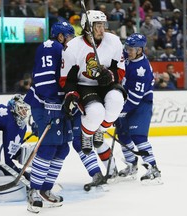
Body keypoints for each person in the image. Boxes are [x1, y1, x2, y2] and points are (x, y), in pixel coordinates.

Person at [59, 10, 126, 181]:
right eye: (97, 25)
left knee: (117, 100)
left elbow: (119, 69)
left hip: (106, 84)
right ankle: (87, 136)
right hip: (85, 86)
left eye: (103, 25)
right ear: (86, 27)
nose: (101, 29)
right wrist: (72, 94)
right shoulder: (73, 47)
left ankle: (100, 131)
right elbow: (68, 78)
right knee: (95, 112)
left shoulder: (114, 41)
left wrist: (110, 76)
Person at [23, 21, 75, 213]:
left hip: (58, 104)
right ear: (60, 36)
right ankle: (33, 190)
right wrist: (52, 103)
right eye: (69, 37)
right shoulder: (51, 47)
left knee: (62, 148)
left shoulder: (62, 49)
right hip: (45, 103)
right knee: (48, 147)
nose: (71, 41)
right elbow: (44, 79)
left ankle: (45, 189)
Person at [115, 33, 162, 185]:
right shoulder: (130, 56)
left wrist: (118, 112)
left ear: (140, 50)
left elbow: (135, 99)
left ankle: (154, 169)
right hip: (127, 101)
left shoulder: (141, 69)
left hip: (141, 104)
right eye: (127, 48)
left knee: (138, 137)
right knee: (122, 135)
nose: (128, 51)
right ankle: (131, 166)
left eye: (132, 49)